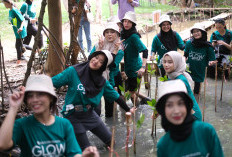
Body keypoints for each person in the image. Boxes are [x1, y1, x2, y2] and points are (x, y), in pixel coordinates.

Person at [52, 50, 135, 151]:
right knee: (87, 150)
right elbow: (53, 82)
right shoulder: (73, 71)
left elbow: (116, 97)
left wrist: (128, 109)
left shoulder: (102, 82)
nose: (96, 61)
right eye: (95, 57)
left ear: (103, 66)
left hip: (89, 114)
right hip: (73, 115)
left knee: (111, 142)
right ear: (92, 57)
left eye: (101, 61)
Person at [0, 75, 99, 157]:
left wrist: (84, 155)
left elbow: (73, 153)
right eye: (30, 96)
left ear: (51, 98)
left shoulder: (64, 124)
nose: (34, 99)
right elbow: (3, 145)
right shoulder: (22, 125)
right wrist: (13, 107)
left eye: (40, 94)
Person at [156, 79, 224, 157]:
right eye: (169, 105)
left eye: (180, 103)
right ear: (163, 110)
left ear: (187, 106)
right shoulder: (163, 145)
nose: (176, 111)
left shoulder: (206, 131)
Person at [91, 23, 124, 117]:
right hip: (95, 78)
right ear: (104, 34)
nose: (109, 34)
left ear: (117, 34)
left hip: (111, 78)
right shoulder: (98, 44)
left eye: (112, 32)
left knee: (109, 110)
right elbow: (91, 58)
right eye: (107, 32)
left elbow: (112, 65)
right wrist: (99, 48)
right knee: (95, 108)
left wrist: (115, 50)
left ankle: (110, 127)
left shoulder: (120, 49)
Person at [162, 51, 202, 120]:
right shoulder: (172, 75)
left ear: (177, 63)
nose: (166, 65)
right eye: (164, 61)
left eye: (170, 62)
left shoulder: (180, 80)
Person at [121, 11, 148, 102]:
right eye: (125, 21)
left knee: (132, 93)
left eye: (129, 22)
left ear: (133, 24)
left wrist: (143, 67)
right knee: (127, 91)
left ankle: (136, 111)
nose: (126, 24)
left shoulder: (134, 37)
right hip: (126, 68)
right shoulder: (122, 34)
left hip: (135, 68)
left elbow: (145, 50)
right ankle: (145, 99)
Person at [184, 23, 216, 96]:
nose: (196, 33)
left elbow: (212, 59)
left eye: (198, 31)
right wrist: (183, 60)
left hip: (200, 68)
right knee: (186, 84)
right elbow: (185, 55)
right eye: (194, 32)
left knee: (196, 90)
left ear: (202, 32)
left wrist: (211, 62)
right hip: (189, 67)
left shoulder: (208, 46)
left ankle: (195, 101)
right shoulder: (189, 43)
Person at [2, 0, 27, 64]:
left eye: (5, 4)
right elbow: (13, 19)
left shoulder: (14, 10)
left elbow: (22, 20)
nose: (5, 5)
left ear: (9, 3)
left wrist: (21, 27)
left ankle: (18, 61)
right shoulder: (10, 10)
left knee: (18, 46)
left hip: (20, 31)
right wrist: (12, 22)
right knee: (21, 46)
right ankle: (35, 49)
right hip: (16, 31)